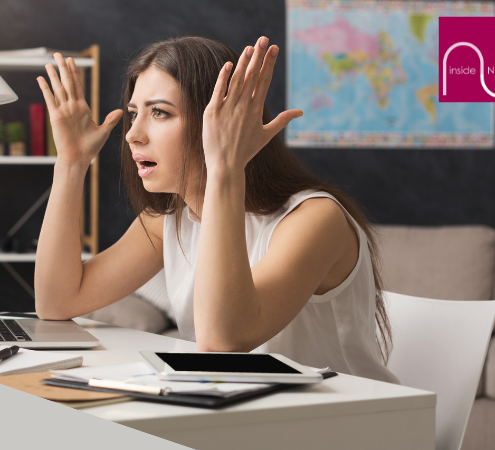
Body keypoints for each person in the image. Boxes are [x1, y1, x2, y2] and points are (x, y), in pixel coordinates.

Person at [33, 35, 398, 383]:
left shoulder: (315, 218)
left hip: (346, 415)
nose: (133, 134)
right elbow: (57, 302)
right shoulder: (170, 221)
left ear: (227, 119)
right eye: (133, 113)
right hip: (245, 409)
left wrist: (225, 166)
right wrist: (71, 163)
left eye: (159, 112)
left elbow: (224, 341)